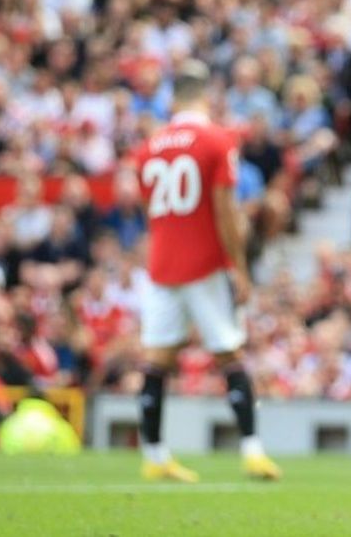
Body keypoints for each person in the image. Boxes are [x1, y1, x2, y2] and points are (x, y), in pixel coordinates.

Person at [131, 59, 280, 483]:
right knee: (229, 354)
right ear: (205, 97)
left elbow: (149, 213)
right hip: (204, 262)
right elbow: (225, 210)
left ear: (172, 99)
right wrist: (240, 267)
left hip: (162, 263)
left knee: (157, 361)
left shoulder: (149, 146)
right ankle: (252, 452)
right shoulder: (217, 140)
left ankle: (155, 456)